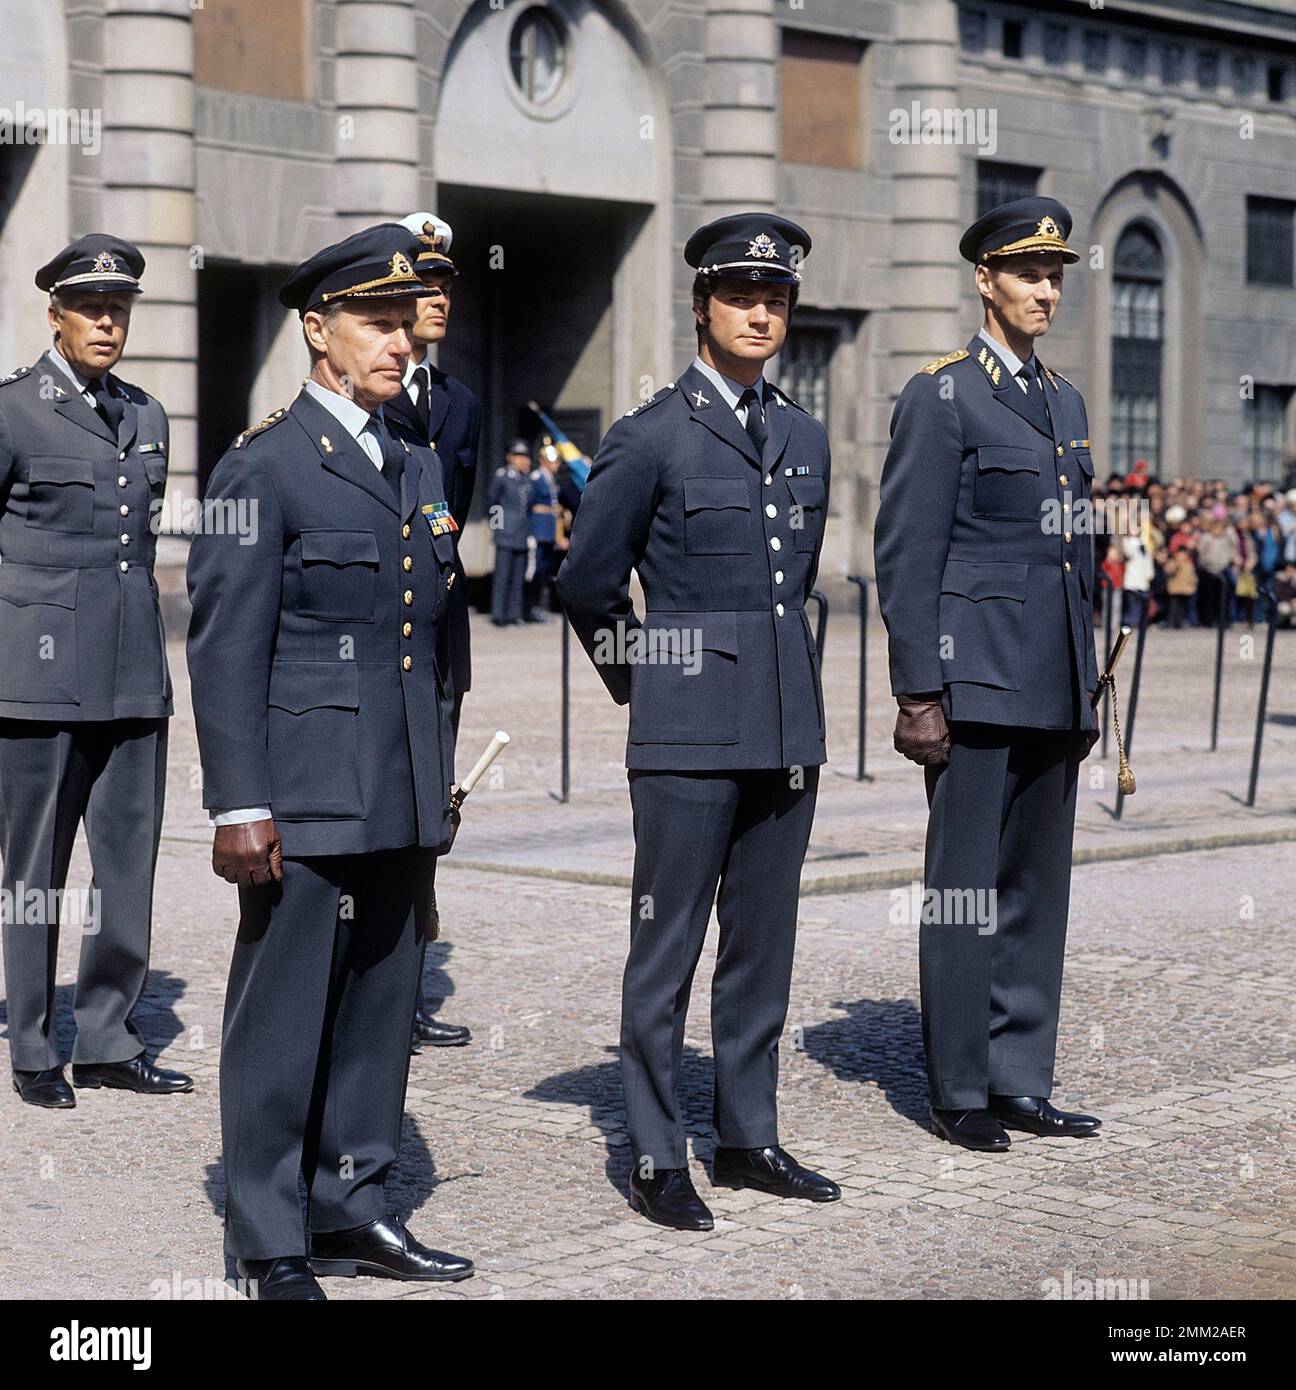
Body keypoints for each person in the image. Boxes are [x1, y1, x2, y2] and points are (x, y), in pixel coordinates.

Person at [186, 224, 473, 1300]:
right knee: (283, 1010)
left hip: (398, 785)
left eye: (409, 320)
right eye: (378, 320)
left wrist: (436, 766)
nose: (401, 341)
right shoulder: (260, 464)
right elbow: (224, 648)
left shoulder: (416, 457)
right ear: (319, 331)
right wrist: (239, 804)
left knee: (380, 1007)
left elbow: (433, 638)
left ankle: (352, 1206)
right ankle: (268, 1236)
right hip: (302, 791)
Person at [558, 212, 840, 1231]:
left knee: (764, 941)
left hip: (783, 730)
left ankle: (749, 1135)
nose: (761, 311)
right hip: (685, 736)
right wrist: (651, 680)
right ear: (702, 306)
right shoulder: (650, 435)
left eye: (777, 298)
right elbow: (587, 583)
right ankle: (653, 1149)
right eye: (741, 295)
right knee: (666, 944)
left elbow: (793, 589)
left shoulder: (803, 435)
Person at [874, 197, 1103, 1152]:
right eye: (1027, 272)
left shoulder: (1065, 400)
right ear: (985, 280)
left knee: (1036, 891)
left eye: (1055, 274)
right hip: (974, 683)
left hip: (1053, 678)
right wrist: (918, 690)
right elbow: (906, 549)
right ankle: (961, 1086)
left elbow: (1074, 556)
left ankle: (1020, 1076)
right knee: (964, 888)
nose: (1045, 289)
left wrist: (1090, 674)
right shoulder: (943, 394)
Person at [0, 234, 192, 1109]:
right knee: (34, 872)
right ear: (56, 314)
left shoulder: (148, 414)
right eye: (91, 308)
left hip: (131, 671)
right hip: (36, 678)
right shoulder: (13, 412)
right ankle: (35, 1042)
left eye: (119, 310)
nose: (107, 323)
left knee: (126, 862)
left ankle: (110, 1034)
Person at [384, 212, 475, 1052]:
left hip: (439, 650)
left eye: (445, 285)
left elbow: (452, 533)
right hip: (375, 648)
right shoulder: (361, 400)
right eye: (423, 285)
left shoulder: (461, 405)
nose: (438, 298)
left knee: (424, 819)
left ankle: (406, 993)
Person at [488, 440, 532, 625]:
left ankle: (515, 613)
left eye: (525, 457)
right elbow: (492, 502)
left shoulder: (526, 479)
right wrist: (497, 528)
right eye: (518, 456)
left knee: (517, 577)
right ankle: (499, 614)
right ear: (510, 457)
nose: (522, 461)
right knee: (502, 576)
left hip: (522, 533)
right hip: (506, 533)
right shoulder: (502, 476)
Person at [525, 436, 563, 621]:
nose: (556, 465)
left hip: (548, 531)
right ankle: (530, 607)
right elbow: (530, 504)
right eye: (552, 461)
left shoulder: (551, 480)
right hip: (539, 530)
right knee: (535, 571)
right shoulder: (537, 478)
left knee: (544, 571)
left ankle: (540, 606)